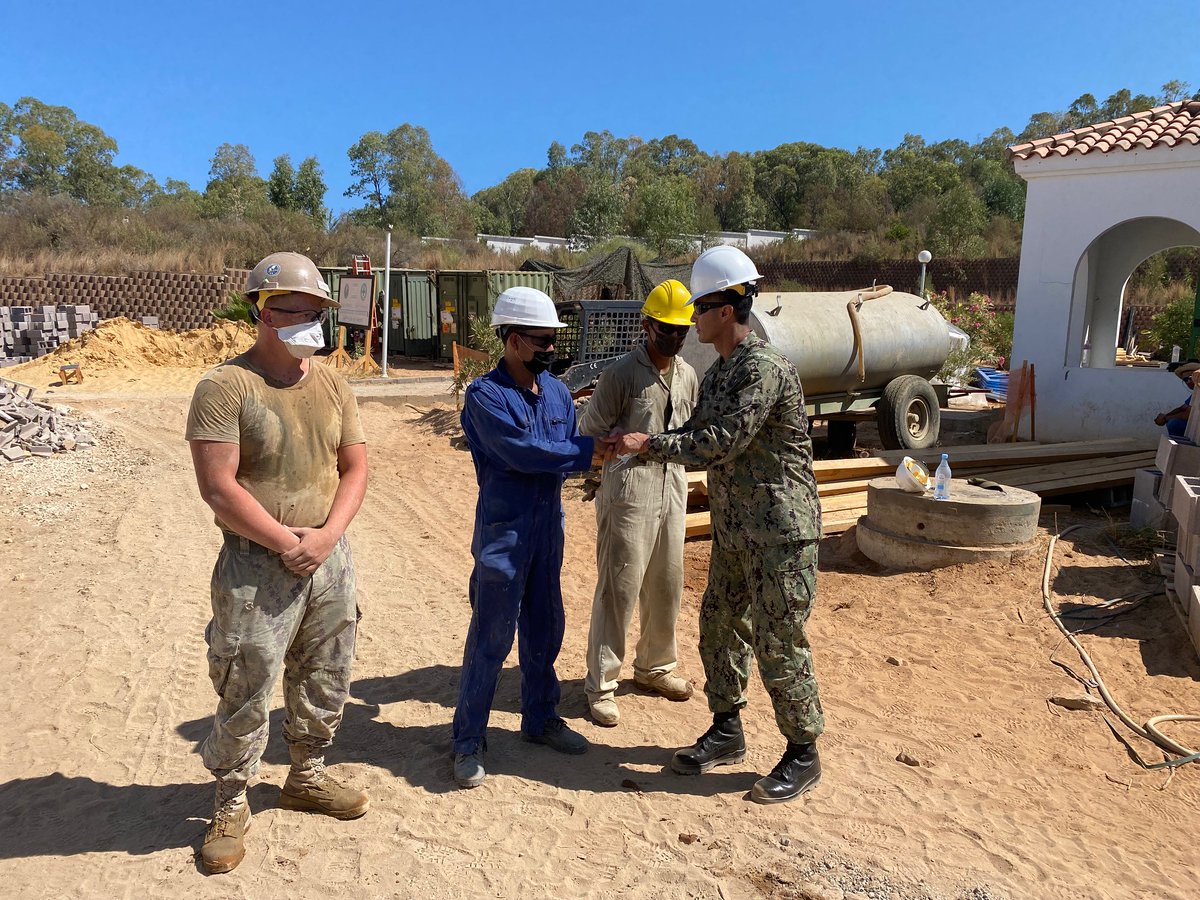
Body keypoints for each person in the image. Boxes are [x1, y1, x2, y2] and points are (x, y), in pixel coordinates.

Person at [612, 245, 825, 804]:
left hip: (781, 533)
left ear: (725, 310)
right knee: (720, 628)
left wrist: (648, 444)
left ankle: (803, 753)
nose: (691, 321)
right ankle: (727, 728)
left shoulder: (763, 369)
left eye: (698, 309)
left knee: (780, 640)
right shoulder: (724, 370)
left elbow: (718, 442)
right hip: (738, 532)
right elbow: (697, 434)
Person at [186, 251, 370, 874]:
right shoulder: (225, 386)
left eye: (315, 309)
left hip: (330, 555)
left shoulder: (334, 384)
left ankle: (305, 774)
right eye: (291, 308)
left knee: (327, 670)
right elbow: (218, 485)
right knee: (247, 677)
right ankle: (231, 800)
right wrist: (285, 542)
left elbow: (355, 467)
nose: (306, 319)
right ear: (260, 312)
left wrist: (327, 536)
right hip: (256, 564)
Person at [453, 286, 608, 788]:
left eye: (552, 340)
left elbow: (558, 451)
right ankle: (468, 740)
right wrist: (589, 453)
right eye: (542, 341)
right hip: (505, 534)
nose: (550, 349)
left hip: (547, 532)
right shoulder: (484, 397)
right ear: (514, 340)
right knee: (491, 639)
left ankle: (539, 719)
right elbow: (523, 452)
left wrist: (587, 454)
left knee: (546, 629)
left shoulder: (559, 393)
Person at [577, 280, 699, 727]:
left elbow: (688, 434)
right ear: (646, 325)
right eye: (665, 327)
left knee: (667, 583)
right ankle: (602, 683)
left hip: (673, 488)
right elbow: (591, 434)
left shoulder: (687, 375)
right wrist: (608, 460)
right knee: (619, 587)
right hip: (629, 492)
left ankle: (655, 667)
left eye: (681, 329)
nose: (673, 336)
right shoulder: (621, 376)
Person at [1155, 362, 1199, 437]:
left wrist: (1166, 418)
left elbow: (1187, 415)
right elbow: (1182, 408)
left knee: (1174, 424)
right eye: (1185, 380)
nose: (1188, 382)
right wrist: (1165, 415)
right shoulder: (1195, 394)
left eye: (1190, 378)